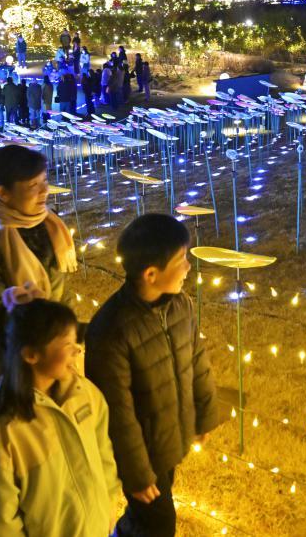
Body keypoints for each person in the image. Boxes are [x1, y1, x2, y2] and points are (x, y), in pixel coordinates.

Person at [85, 213, 219, 537]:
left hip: (167, 437)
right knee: (159, 525)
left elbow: (196, 358)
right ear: (151, 274)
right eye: (181, 260)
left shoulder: (180, 305)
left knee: (146, 520)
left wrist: (203, 414)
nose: (189, 267)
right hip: (141, 451)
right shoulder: (111, 330)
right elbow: (116, 412)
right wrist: (136, 473)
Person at [0, 297, 119, 537]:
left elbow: (103, 453)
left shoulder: (85, 395)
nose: (77, 349)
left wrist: (108, 503)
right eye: (67, 343)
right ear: (31, 355)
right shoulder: (5, 431)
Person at [0, 145, 78, 409]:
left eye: (45, 180)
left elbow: (59, 295)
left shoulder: (49, 227)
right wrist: (43, 350)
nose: (45, 190)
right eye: (33, 185)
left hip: (43, 355)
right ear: (3, 193)